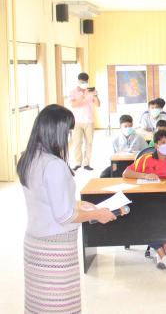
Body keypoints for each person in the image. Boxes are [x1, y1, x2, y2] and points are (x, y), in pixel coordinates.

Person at [19, 105, 123, 313]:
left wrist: (79, 204)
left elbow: (45, 199)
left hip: (35, 243)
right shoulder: (54, 165)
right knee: (60, 305)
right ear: (55, 131)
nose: (68, 137)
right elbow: (64, 216)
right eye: (67, 132)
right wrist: (97, 214)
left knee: (39, 304)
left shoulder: (28, 158)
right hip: (55, 248)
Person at [124, 130, 166, 271]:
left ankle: (161, 255)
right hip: (150, 200)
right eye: (163, 143)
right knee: (148, 223)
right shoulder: (146, 159)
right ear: (156, 145)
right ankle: (163, 257)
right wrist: (145, 175)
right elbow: (126, 173)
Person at [68, 72, 100, 171]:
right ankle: (78, 163)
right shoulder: (73, 92)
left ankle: (86, 163)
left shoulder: (91, 91)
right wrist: (82, 96)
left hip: (89, 121)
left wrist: (95, 95)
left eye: (85, 82)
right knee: (77, 142)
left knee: (89, 143)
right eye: (82, 82)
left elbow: (98, 105)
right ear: (78, 81)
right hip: (76, 121)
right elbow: (73, 105)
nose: (84, 83)